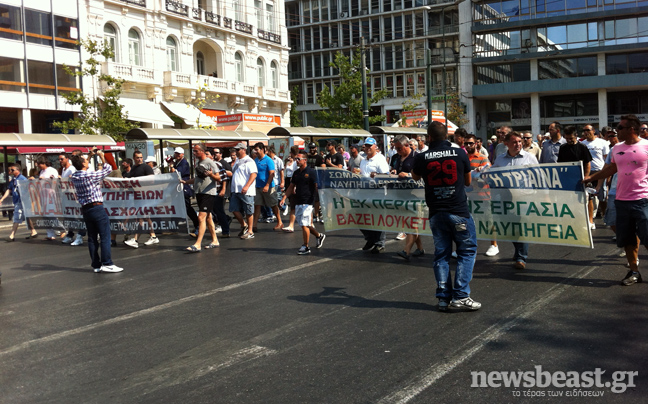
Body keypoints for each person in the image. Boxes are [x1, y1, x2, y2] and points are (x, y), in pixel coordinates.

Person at [412, 122, 480, 311]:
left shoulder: (422, 156)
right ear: (447, 136)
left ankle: (443, 298)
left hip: (436, 212)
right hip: (457, 210)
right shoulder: (459, 153)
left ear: (429, 137)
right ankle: (460, 296)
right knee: (466, 252)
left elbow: (415, 177)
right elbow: (467, 181)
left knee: (441, 255)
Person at [583, 115, 648, 286]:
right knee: (628, 240)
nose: (616, 131)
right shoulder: (617, 148)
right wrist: (590, 178)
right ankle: (634, 272)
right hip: (621, 201)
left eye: (620, 128)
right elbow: (611, 168)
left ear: (631, 130)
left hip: (643, 200)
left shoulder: (646, 146)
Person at [69, 149, 122, 273]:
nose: (87, 162)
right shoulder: (89, 175)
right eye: (85, 161)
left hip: (86, 209)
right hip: (96, 207)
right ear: (82, 164)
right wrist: (102, 156)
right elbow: (108, 169)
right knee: (105, 235)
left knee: (92, 237)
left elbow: (83, 167)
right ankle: (107, 263)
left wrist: (89, 156)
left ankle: (96, 265)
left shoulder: (75, 176)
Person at [492, 131, 539, 270]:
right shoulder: (500, 159)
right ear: (506, 144)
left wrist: (542, 195)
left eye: (520, 141)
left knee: (521, 226)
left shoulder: (529, 158)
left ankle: (521, 257)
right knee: (510, 227)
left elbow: (539, 177)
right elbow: (492, 174)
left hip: (524, 197)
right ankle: (519, 249)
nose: (518, 144)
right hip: (506, 198)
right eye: (514, 142)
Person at [280, 151, 326, 255]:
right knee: (303, 224)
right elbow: (291, 187)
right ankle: (319, 236)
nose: (296, 161)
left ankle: (305, 246)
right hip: (298, 201)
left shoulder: (311, 172)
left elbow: (316, 186)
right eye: (296, 159)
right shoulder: (296, 173)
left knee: (305, 223)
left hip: (308, 202)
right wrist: (284, 198)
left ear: (305, 160)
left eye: (298, 159)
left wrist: (321, 196)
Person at [465, 134, 500, 257]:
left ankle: (494, 245)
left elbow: (489, 175)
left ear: (476, 144)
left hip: (483, 196)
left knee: (488, 220)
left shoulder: (483, 158)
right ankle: (468, 246)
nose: (468, 146)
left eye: (471, 143)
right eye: (466, 143)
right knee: (468, 222)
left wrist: (482, 172)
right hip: (468, 196)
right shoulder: (464, 158)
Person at [389, 135, 423, 259]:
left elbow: (422, 175)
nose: (398, 151)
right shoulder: (396, 157)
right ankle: (420, 248)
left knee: (412, 224)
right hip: (400, 195)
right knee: (409, 224)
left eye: (399, 148)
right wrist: (393, 172)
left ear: (407, 145)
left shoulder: (417, 157)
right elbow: (393, 169)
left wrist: (408, 174)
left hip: (414, 195)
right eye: (396, 148)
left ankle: (406, 251)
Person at [182, 144, 220, 252]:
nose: (194, 153)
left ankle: (198, 244)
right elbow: (197, 179)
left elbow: (218, 178)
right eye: (193, 151)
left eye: (196, 151)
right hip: (199, 192)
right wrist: (185, 182)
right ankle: (215, 240)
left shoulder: (209, 162)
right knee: (208, 217)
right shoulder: (199, 163)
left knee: (201, 217)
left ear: (202, 151)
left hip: (208, 193)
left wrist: (211, 175)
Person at [359, 137, 390, 253]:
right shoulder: (363, 160)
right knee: (360, 217)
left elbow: (386, 175)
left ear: (375, 147)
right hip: (364, 192)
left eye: (369, 146)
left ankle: (379, 242)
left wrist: (376, 175)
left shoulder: (380, 159)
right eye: (366, 146)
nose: (367, 148)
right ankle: (370, 238)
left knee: (377, 217)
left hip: (378, 191)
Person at [124, 151, 158, 248]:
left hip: (145, 195)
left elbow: (152, 180)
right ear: (134, 158)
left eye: (141, 157)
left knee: (141, 217)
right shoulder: (134, 168)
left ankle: (135, 239)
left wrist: (138, 180)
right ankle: (153, 236)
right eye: (138, 157)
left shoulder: (146, 167)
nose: (140, 159)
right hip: (137, 195)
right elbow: (130, 180)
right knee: (145, 217)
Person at [581, 124, 609, 229]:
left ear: (593, 131)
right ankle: (590, 219)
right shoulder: (582, 144)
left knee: (602, 196)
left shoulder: (602, 143)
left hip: (600, 172)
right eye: (584, 130)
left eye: (587, 130)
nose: (585, 132)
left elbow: (607, 159)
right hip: (587, 173)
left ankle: (604, 214)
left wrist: (607, 174)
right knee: (589, 196)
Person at [169, 147, 200, 237]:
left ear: (182, 154)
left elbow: (177, 173)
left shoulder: (184, 163)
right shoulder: (177, 163)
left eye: (179, 153)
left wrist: (171, 166)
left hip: (184, 187)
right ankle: (173, 226)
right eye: (176, 153)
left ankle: (197, 224)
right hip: (177, 188)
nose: (177, 155)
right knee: (175, 207)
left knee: (187, 208)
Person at [252, 142, 283, 232]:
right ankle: (254, 225)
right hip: (258, 186)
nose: (255, 151)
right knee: (257, 205)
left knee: (273, 204)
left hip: (268, 187)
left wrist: (267, 185)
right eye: (255, 150)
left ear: (262, 150)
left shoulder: (268, 160)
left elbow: (271, 174)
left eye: (257, 149)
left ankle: (280, 222)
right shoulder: (256, 160)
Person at [230, 143, 258, 239]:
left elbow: (253, 174)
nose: (236, 152)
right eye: (235, 150)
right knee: (233, 209)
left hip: (246, 191)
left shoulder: (249, 161)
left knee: (248, 211)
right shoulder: (237, 161)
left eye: (238, 150)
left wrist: (246, 186)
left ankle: (250, 231)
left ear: (243, 150)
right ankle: (244, 225)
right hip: (236, 190)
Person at [34, 156, 59, 240]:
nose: (39, 166)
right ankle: (50, 234)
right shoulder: (41, 171)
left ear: (44, 163)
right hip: (43, 195)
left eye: (40, 164)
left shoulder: (52, 170)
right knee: (45, 215)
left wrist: (46, 179)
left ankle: (61, 230)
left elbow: (55, 181)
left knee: (51, 214)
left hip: (50, 194)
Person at [0, 163, 27, 241]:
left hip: (22, 201)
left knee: (16, 218)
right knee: (27, 218)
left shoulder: (22, 179)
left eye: (12, 170)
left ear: (17, 170)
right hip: (17, 201)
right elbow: (9, 190)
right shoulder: (13, 179)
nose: (10, 171)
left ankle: (12, 235)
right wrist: (2, 199)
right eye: (10, 170)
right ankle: (33, 231)